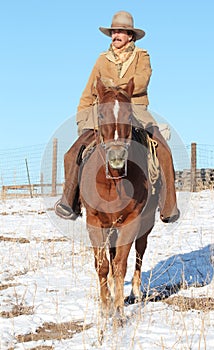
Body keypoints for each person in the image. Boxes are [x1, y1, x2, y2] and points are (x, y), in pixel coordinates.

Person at [55, 10, 180, 223]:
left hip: (134, 107)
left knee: (163, 150)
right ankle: (70, 201)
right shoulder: (101, 60)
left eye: (121, 31)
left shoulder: (142, 55)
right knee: (72, 152)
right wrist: (82, 119)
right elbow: (89, 90)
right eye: (114, 31)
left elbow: (142, 79)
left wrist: (117, 91)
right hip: (102, 112)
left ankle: (169, 205)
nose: (116, 35)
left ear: (130, 35)